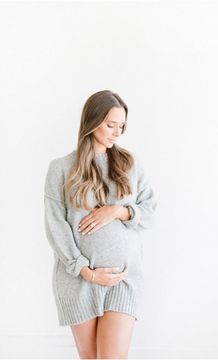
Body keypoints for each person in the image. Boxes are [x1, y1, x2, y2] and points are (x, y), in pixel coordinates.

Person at [44, 89, 157, 359]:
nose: (117, 132)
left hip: (123, 278)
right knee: (90, 356)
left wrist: (117, 211)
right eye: (110, 125)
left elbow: (150, 210)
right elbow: (55, 225)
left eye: (121, 126)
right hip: (78, 280)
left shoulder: (130, 163)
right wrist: (85, 271)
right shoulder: (60, 168)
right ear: (92, 121)